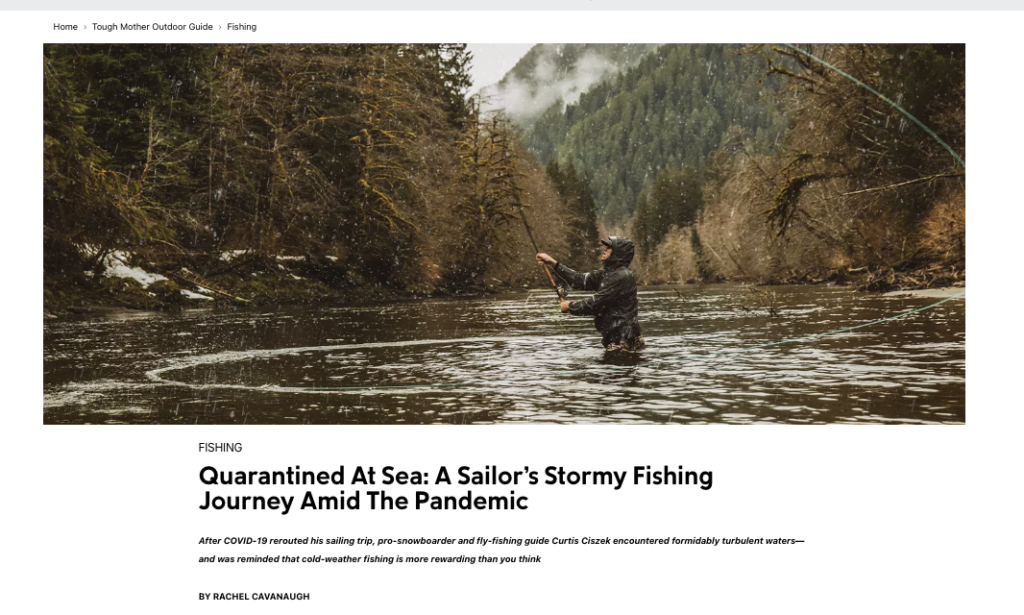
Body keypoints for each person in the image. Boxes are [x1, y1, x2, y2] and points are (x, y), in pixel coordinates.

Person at [536, 236, 644, 352]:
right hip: (616, 340)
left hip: (624, 342)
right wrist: (553, 263)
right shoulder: (606, 274)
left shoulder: (622, 277)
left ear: (618, 253)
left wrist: (570, 306)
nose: (605, 249)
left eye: (609, 247)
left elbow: (596, 303)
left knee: (617, 369)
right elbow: (578, 279)